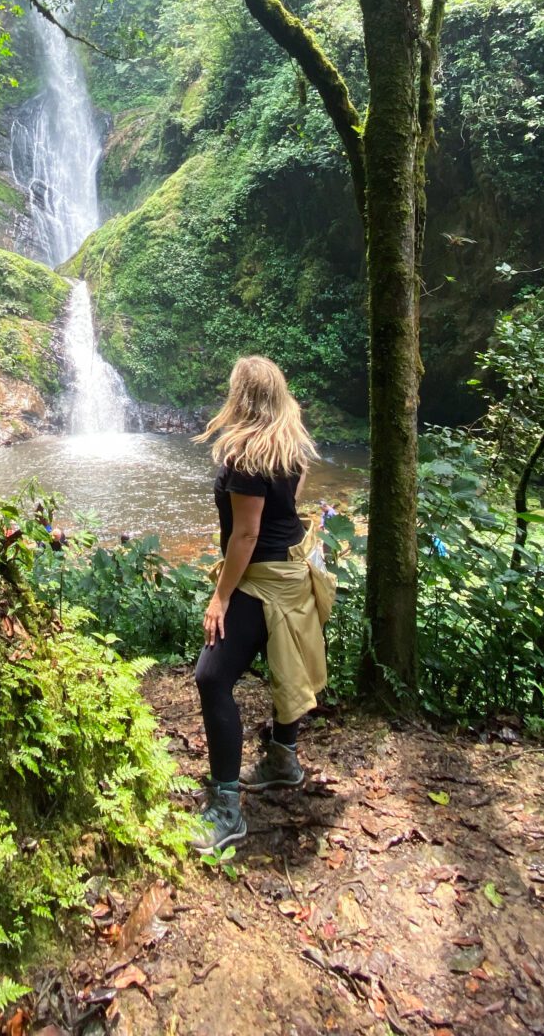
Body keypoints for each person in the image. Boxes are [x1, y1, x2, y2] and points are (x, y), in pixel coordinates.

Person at [190, 356, 335, 853]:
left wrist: (220, 596)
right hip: (293, 572)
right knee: (286, 665)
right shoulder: (289, 443)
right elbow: (290, 500)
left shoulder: (246, 456)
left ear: (241, 397)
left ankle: (227, 809)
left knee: (211, 677)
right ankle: (282, 759)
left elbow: (247, 534)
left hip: (260, 578)